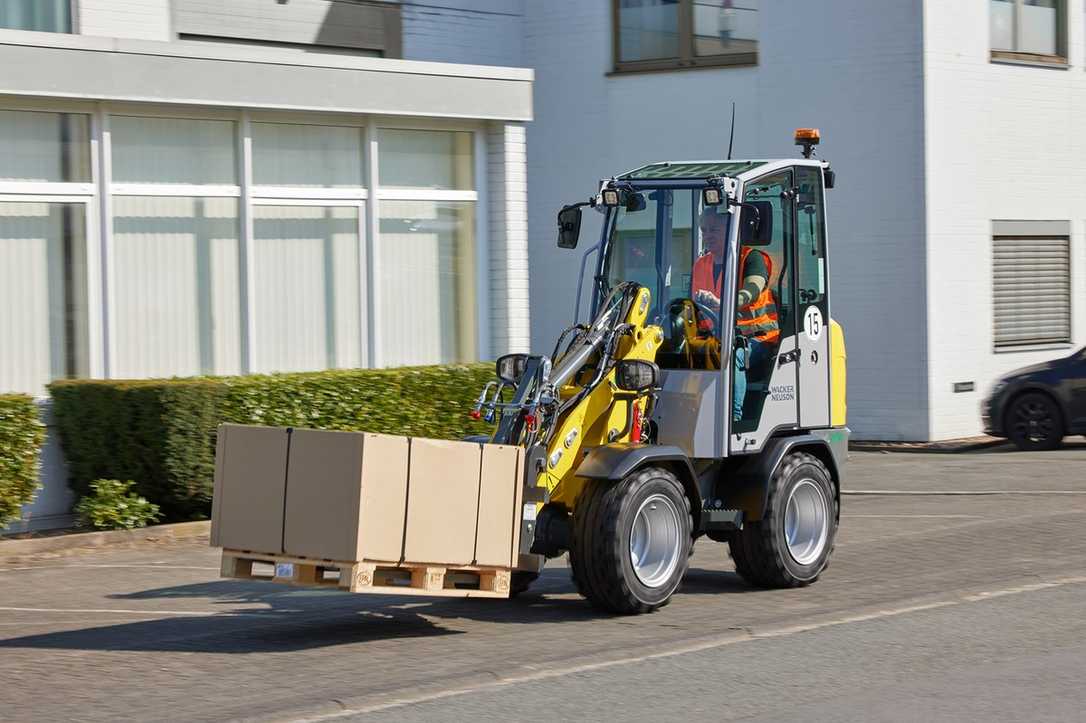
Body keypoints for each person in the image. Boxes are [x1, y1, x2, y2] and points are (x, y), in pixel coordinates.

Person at [690, 206, 780, 421]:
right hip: (716, 337)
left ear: (731, 230)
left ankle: (733, 418)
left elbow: (753, 287)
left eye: (714, 230)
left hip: (756, 337)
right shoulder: (702, 264)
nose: (707, 235)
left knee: (732, 354)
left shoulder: (751, 258)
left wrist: (726, 303)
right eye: (704, 230)